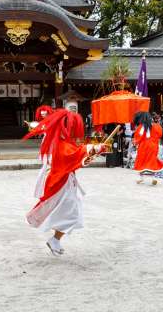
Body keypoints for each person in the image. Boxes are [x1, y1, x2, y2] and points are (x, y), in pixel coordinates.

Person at [23, 109, 108, 255]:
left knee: (67, 212)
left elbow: (75, 155)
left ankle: (55, 239)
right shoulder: (60, 143)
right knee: (71, 213)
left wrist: (92, 151)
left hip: (63, 180)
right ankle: (55, 240)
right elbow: (73, 154)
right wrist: (92, 148)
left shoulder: (58, 140)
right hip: (60, 182)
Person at [133, 112, 163, 185]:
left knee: (141, 160)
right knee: (152, 160)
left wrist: (135, 142)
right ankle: (153, 177)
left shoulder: (141, 127)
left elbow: (138, 137)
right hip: (153, 146)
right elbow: (160, 134)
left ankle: (141, 177)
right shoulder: (156, 126)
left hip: (143, 146)